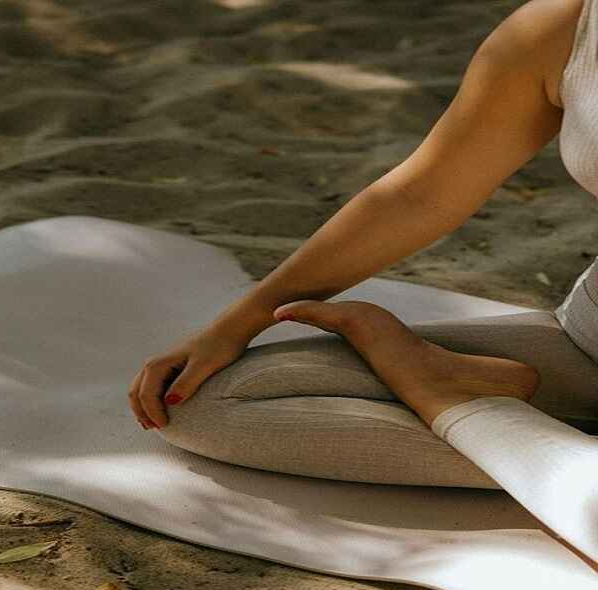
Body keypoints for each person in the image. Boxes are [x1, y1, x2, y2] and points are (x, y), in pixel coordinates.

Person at [127, 0, 598, 493]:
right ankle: (491, 414)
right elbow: (422, 195)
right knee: (213, 404)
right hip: (587, 341)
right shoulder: (562, 26)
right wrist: (235, 325)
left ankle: (451, 402)